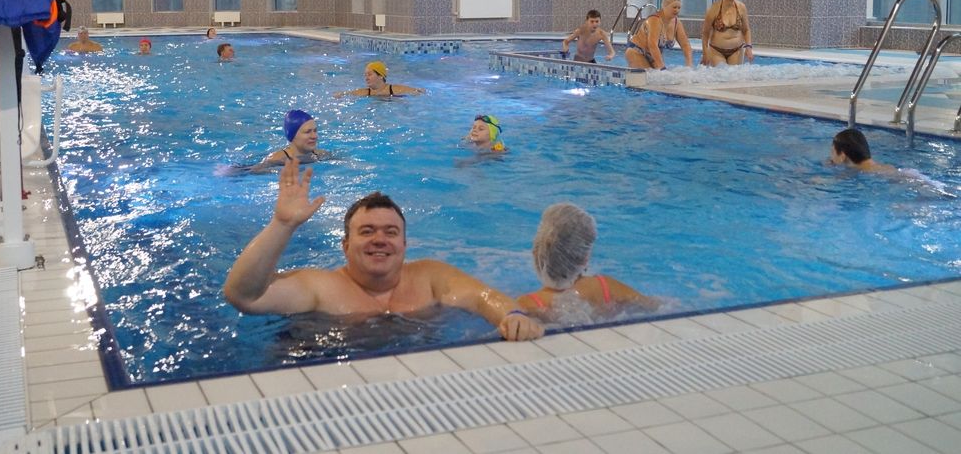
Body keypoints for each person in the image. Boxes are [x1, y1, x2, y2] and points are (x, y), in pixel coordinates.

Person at [223, 158, 544, 341]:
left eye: (391, 232)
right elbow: (244, 296)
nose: (380, 239)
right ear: (345, 246)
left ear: (404, 245)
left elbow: (483, 297)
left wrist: (513, 316)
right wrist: (282, 224)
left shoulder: (430, 276)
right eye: (367, 231)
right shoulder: (320, 288)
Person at [517, 203, 656, 324]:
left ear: (536, 253)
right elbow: (654, 305)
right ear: (585, 258)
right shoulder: (606, 286)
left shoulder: (529, 304)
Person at [625, 0, 693, 70]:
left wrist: (689, 66)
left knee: (661, 76)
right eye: (674, 7)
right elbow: (652, 45)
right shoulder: (655, 20)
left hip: (653, 55)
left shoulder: (677, 23)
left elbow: (686, 45)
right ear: (665, 6)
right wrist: (662, 68)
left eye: (679, 8)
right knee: (647, 75)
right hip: (637, 51)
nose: (676, 10)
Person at [701, 0, 754, 66]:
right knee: (720, 72)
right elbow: (705, 33)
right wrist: (705, 52)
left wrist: (748, 47)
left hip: (737, 50)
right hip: (716, 51)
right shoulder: (714, 8)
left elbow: (746, 30)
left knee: (734, 73)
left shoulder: (741, 7)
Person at [257, 110, 330, 168]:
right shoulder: (276, 159)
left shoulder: (321, 155)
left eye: (315, 131)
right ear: (292, 135)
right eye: (307, 132)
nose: (314, 136)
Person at [828, 128, 898, 175]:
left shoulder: (861, 173)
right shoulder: (888, 167)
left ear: (842, 156)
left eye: (832, 151)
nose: (831, 156)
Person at [335, 61, 423, 97]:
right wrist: (340, 95)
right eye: (365, 75)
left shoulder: (394, 89)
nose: (366, 78)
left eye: (369, 74)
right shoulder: (365, 92)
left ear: (381, 76)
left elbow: (419, 91)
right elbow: (345, 94)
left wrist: (418, 91)